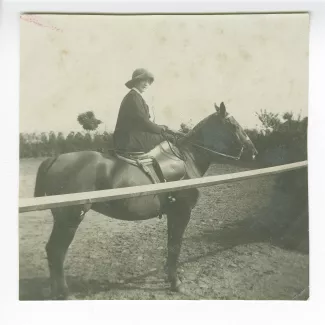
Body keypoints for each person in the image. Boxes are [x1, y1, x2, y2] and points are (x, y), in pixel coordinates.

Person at [113, 68, 172, 153]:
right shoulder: (133, 97)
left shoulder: (136, 97)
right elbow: (143, 122)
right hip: (128, 139)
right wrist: (160, 129)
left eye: (148, 81)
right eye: (143, 80)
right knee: (170, 138)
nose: (146, 84)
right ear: (135, 82)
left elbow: (144, 121)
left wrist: (162, 127)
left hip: (130, 137)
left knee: (167, 134)